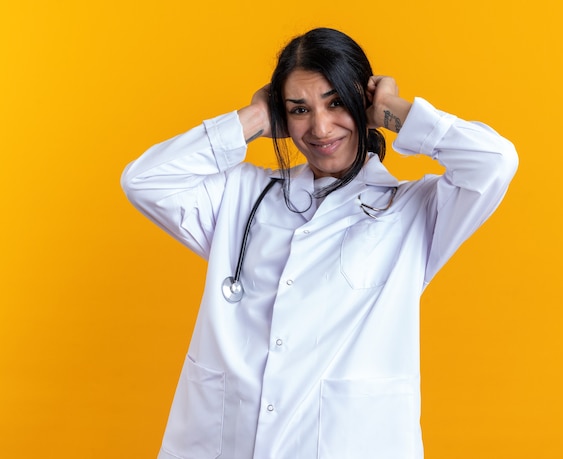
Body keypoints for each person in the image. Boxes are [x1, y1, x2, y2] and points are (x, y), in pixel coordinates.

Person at [121, 27, 518, 459]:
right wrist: (253, 118)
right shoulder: (242, 196)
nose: (320, 127)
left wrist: (391, 110)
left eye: (335, 102)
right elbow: (143, 180)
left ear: (362, 104)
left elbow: (494, 161)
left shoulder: (411, 211)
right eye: (299, 109)